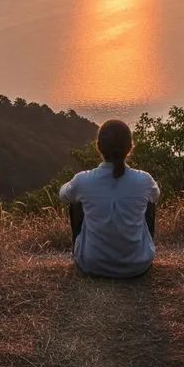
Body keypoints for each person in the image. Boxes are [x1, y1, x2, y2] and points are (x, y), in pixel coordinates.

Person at [59, 119, 160, 278]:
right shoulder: (144, 180)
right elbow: (156, 195)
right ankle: (140, 248)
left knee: (76, 200)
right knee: (149, 201)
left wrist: (82, 187)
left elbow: (63, 194)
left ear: (98, 146)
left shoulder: (83, 180)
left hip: (92, 264)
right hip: (138, 264)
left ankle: (84, 249)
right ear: (130, 147)